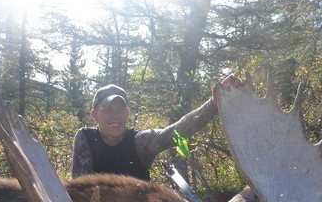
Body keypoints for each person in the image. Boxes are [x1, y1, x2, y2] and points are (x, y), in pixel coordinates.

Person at [71, 75, 244, 181]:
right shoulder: (85, 138)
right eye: (107, 110)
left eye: (120, 110)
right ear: (94, 115)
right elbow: (80, 189)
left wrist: (214, 103)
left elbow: (179, 129)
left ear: (128, 113)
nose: (115, 116)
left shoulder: (141, 142)